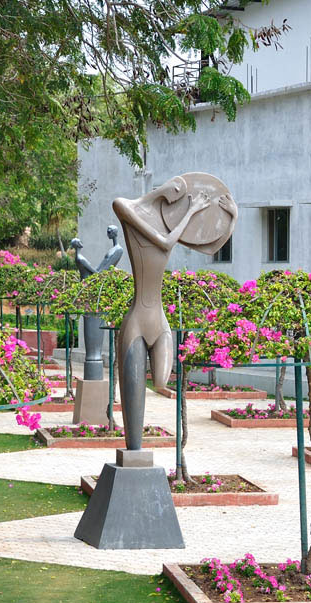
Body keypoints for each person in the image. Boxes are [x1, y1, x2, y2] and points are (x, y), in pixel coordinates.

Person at [111, 175, 235, 450]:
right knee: (134, 398)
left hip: (159, 320)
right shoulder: (124, 206)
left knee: (161, 382)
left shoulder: (170, 223)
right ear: (160, 188)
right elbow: (166, 243)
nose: (178, 189)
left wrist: (231, 219)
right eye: (173, 185)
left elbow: (211, 245)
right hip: (136, 321)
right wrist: (190, 211)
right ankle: (133, 453)